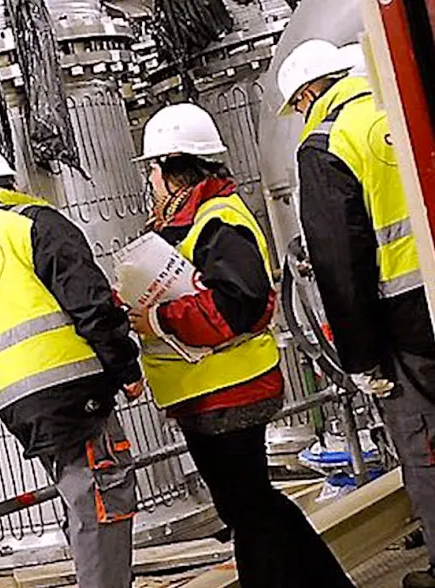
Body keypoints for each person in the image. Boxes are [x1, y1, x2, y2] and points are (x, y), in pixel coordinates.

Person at [126, 103, 354, 588]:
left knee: (248, 513)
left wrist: (159, 317)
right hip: (209, 393)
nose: (149, 178)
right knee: (252, 505)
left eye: (152, 167)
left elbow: (239, 303)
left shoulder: (217, 220)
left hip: (231, 391)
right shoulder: (189, 222)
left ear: (174, 167)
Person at [0, 146, 145, 588]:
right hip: (72, 389)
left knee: (79, 495)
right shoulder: (33, 224)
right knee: (102, 495)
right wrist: (127, 369)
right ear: (11, 186)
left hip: (13, 403)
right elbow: (91, 304)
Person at [278, 38, 435, 588]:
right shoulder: (402, 103)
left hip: (407, 326)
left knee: (423, 446)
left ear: (310, 93)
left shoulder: (325, 143)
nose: (301, 116)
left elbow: (340, 266)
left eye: (297, 105)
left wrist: (361, 359)